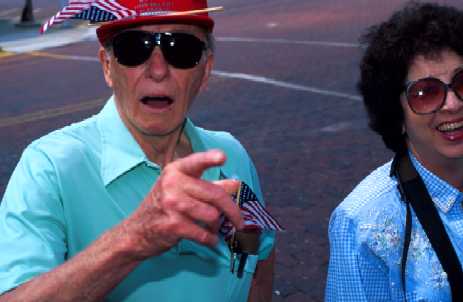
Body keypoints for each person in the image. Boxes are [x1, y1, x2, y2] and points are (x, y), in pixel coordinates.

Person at [0, 0, 276, 301]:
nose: (158, 70)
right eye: (134, 48)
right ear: (108, 67)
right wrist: (134, 239)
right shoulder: (49, 167)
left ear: (205, 71)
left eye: (180, 48)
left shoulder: (232, 156)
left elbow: (258, 261)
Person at [326, 2, 463, 301]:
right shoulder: (362, 222)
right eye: (426, 93)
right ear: (396, 114)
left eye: (462, 82)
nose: (452, 103)